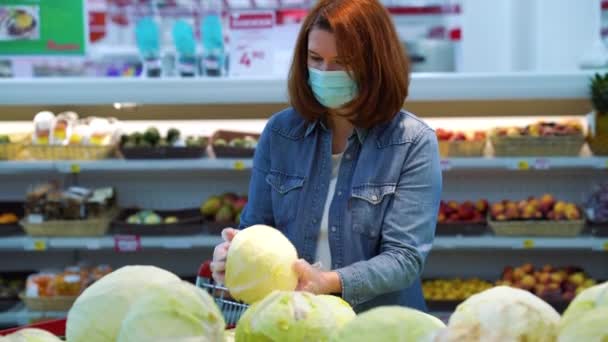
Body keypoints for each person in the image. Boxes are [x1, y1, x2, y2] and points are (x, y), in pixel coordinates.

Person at [211, 0, 442, 313]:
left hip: (377, 326)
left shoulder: (412, 142)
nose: (324, 72)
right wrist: (234, 255)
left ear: (375, 63)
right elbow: (256, 227)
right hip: (293, 320)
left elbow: (403, 259)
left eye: (342, 61)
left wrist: (327, 282)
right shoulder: (281, 133)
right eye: (315, 59)